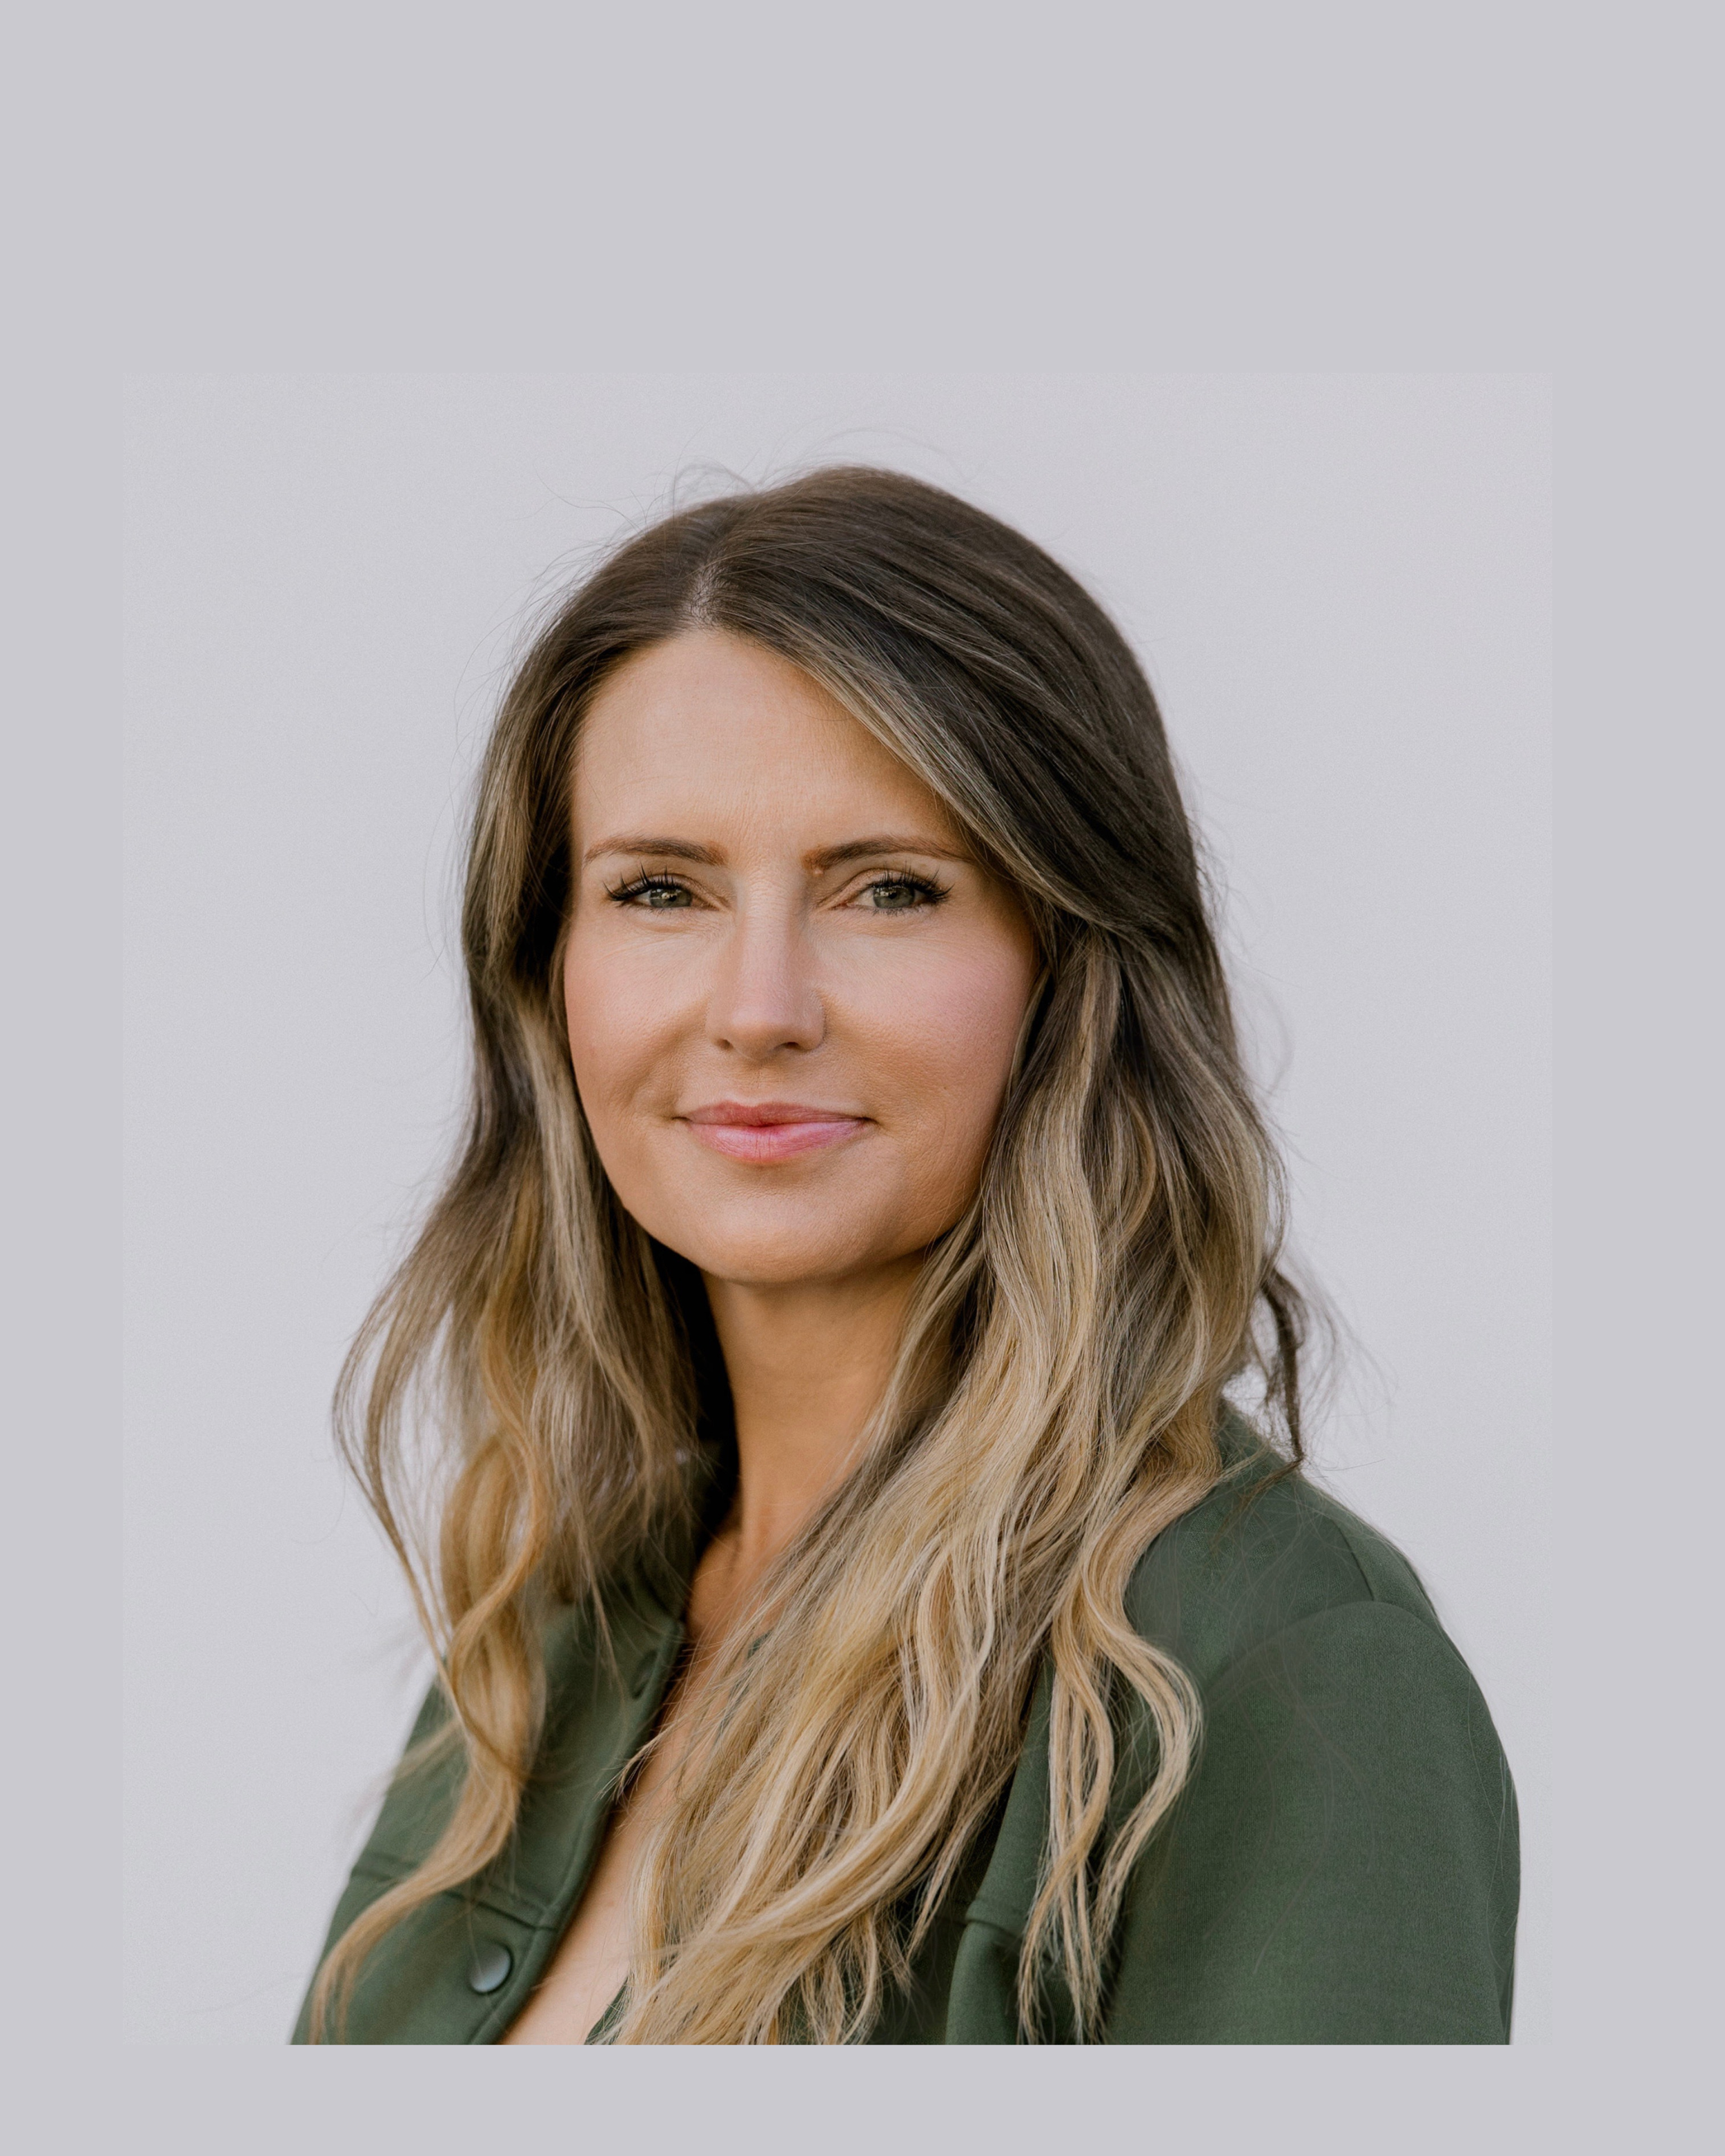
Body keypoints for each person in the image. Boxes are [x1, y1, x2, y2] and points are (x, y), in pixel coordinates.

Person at [293, 466, 1519, 2046]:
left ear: (1067, 966)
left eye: (888, 888)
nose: (757, 1004)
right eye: (658, 888)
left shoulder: (1277, 1667)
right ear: (549, 971)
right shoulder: (555, 1630)